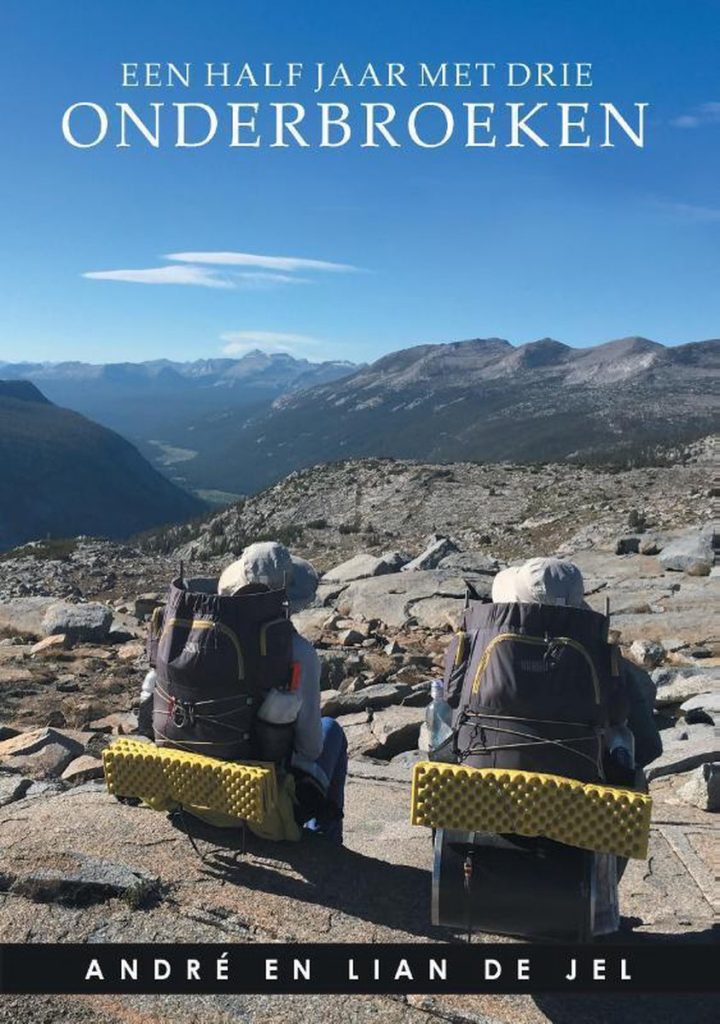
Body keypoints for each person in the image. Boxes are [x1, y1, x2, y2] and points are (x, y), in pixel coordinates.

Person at [218, 541, 348, 845]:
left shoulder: (214, 639)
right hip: (266, 785)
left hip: (213, 771)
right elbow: (311, 748)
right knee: (332, 731)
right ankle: (323, 843)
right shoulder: (299, 653)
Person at [490, 557, 662, 771]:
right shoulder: (607, 662)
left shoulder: (484, 652)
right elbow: (649, 746)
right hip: (581, 781)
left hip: (487, 774)